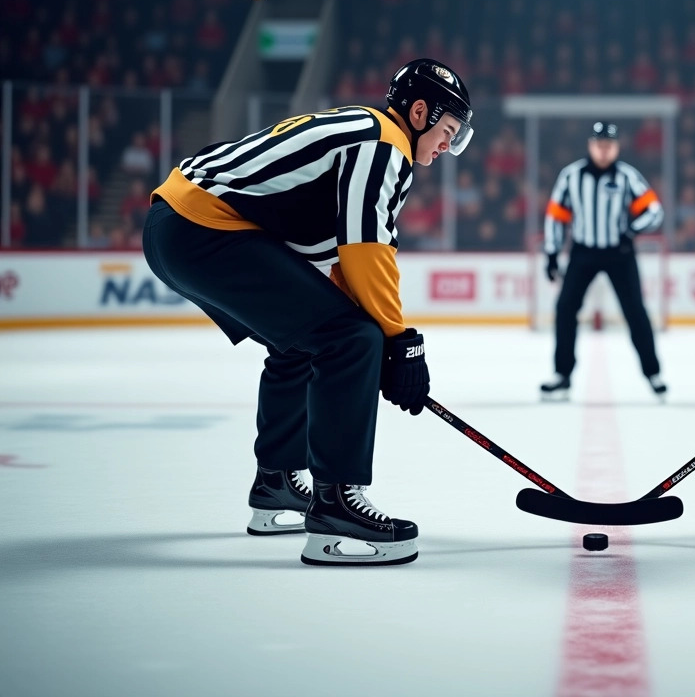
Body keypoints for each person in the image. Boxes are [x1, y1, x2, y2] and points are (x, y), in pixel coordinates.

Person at [142, 59, 474, 567]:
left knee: (305, 336)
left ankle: (276, 483)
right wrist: (398, 341)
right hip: (201, 229)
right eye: (448, 130)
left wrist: (390, 342)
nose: (449, 144)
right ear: (421, 111)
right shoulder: (384, 143)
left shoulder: (367, 133)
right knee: (351, 338)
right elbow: (367, 250)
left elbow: (334, 265)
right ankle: (336, 509)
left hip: (179, 224)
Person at [540, 121, 666, 400]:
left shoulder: (626, 176)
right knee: (565, 309)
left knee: (635, 312)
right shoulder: (571, 176)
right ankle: (562, 375)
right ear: (590, 145)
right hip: (583, 252)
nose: (604, 150)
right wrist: (551, 253)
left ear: (617, 147)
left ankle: (653, 374)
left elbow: (655, 211)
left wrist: (631, 230)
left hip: (619, 253)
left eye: (609, 145)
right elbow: (556, 217)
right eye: (599, 144)